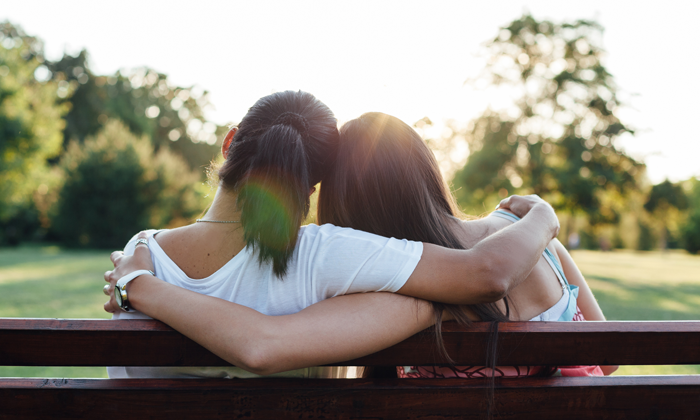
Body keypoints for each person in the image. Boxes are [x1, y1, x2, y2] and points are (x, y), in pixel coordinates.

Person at [103, 91, 560, 379]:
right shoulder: (327, 252)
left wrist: (138, 286)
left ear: (230, 142)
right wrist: (543, 216)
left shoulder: (141, 252)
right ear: (313, 182)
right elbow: (484, 272)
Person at [317, 112, 616, 378]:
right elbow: (609, 358)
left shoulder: (394, 291)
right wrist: (543, 214)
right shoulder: (534, 236)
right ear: (426, 175)